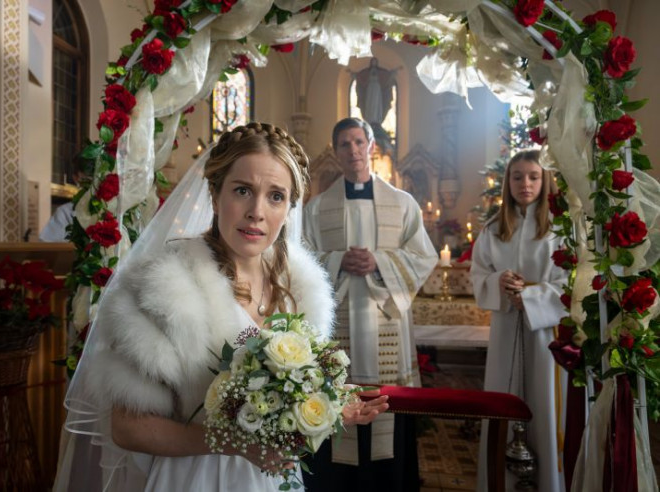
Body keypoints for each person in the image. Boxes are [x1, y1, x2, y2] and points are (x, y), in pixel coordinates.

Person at [54, 122, 390, 491]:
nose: (256, 212)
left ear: (289, 209)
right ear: (215, 196)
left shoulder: (300, 292)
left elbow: (282, 408)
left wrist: (326, 405)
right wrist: (236, 444)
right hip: (194, 478)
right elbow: (127, 428)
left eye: (276, 196)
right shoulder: (165, 290)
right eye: (242, 190)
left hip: (273, 480)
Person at [302, 117, 438, 491]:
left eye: (359, 142)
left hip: (385, 322)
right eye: (344, 144)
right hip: (339, 323)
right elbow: (300, 260)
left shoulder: (403, 203)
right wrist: (337, 261)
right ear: (335, 152)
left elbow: (424, 256)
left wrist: (379, 261)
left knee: (387, 418)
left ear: (372, 146)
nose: (353, 150)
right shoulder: (317, 208)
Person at [470, 150, 568, 492]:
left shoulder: (559, 229)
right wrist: (497, 282)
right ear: (507, 182)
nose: (525, 183)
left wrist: (529, 297)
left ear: (545, 180)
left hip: (545, 336)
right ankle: (498, 482)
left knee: (543, 406)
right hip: (505, 329)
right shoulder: (494, 229)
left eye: (533, 176)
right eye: (517, 177)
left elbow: (570, 284)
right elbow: (477, 276)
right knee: (501, 399)